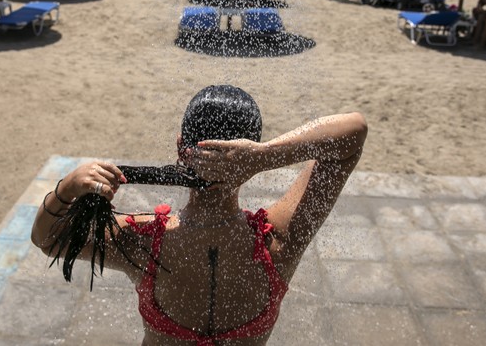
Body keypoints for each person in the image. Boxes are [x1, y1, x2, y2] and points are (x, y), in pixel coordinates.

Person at [31, 85, 366, 346]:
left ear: (180, 148)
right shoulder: (278, 241)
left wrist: (67, 189)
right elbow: (353, 132)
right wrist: (264, 157)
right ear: (249, 152)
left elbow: (46, 239)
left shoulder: (142, 244)